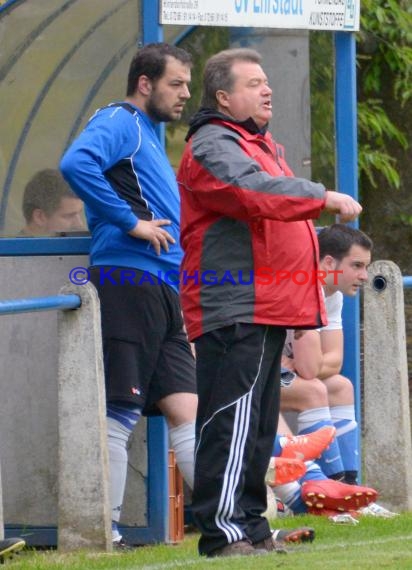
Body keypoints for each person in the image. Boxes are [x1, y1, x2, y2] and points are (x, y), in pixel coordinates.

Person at [176, 48, 362, 558]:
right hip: (236, 303)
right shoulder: (213, 144)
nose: (267, 89)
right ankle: (223, 534)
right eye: (254, 82)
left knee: (258, 429)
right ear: (223, 96)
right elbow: (254, 192)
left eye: (267, 81)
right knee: (232, 423)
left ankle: (252, 527)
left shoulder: (259, 144)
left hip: (269, 304)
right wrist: (320, 194)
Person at [60, 42, 197, 547]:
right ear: (146, 83)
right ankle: (106, 532)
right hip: (126, 279)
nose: (185, 93)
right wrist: (130, 222)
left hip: (161, 286)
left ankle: (231, 525)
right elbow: (76, 164)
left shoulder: (150, 134)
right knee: (119, 410)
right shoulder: (120, 118)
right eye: (176, 83)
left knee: (187, 408)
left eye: (186, 83)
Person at [272, 224, 397, 518]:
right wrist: (304, 366)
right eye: (357, 266)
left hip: (279, 373)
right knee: (314, 389)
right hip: (246, 374)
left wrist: (304, 366)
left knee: (341, 386)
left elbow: (334, 360)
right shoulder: (303, 285)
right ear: (328, 262)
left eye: (365, 267)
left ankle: (348, 487)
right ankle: (326, 491)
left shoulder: (333, 295)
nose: (365, 276)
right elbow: (310, 367)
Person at [20, 168, 85, 236]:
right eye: (69, 216)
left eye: (79, 213)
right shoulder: (13, 246)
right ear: (39, 217)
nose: (79, 224)